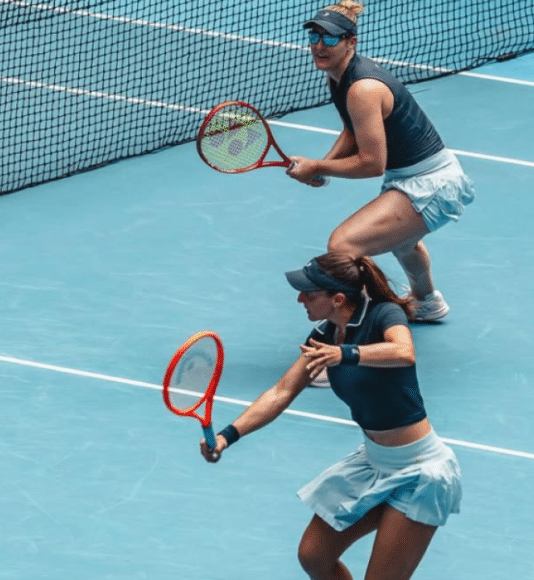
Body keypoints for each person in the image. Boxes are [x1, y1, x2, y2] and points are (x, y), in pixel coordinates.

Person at [201, 252, 462, 580]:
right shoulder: (324, 336)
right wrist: (228, 434)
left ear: (337, 299)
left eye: (308, 293)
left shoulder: (383, 314)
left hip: (420, 473)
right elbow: (281, 392)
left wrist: (345, 354)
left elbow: (403, 352)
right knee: (314, 556)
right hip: (373, 464)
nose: (300, 299)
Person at [287, 1, 476, 323]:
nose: (320, 46)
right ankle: (427, 302)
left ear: (351, 42)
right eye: (315, 37)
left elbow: (372, 163)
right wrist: (324, 165)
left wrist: (318, 167)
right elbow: (352, 128)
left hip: (432, 183)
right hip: (412, 176)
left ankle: (356, 329)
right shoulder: (338, 75)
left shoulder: (363, 88)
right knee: (404, 243)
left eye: (330, 39)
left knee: (343, 244)